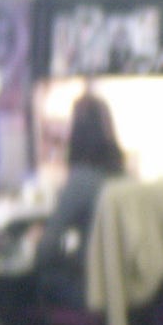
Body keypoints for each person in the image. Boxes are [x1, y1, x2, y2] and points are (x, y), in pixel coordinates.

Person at [33, 91, 126, 309]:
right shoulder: (126, 177)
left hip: (91, 290)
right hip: (124, 287)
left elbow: (46, 252)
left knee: (34, 280)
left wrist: (36, 241)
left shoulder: (80, 181)